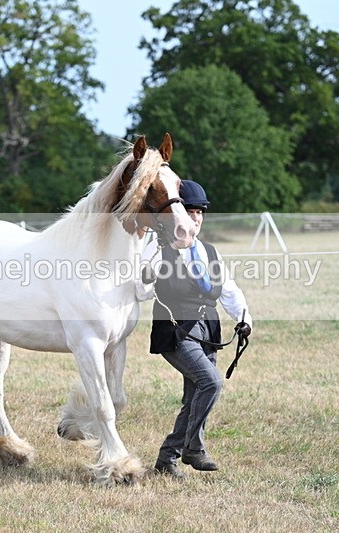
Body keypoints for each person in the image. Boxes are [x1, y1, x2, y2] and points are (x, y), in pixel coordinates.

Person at [135, 180, 252, 478]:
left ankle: (166, 458)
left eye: (199, 212)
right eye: (189, 211)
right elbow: (139, 291)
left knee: (195, 398)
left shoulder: (210, 252)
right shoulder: (158, 250)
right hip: (174, 331)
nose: (195, 217)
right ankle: (193, 448)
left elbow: (227, 289)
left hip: (208, 332)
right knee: (210, 382)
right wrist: (148, 276)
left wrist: (243, 317)